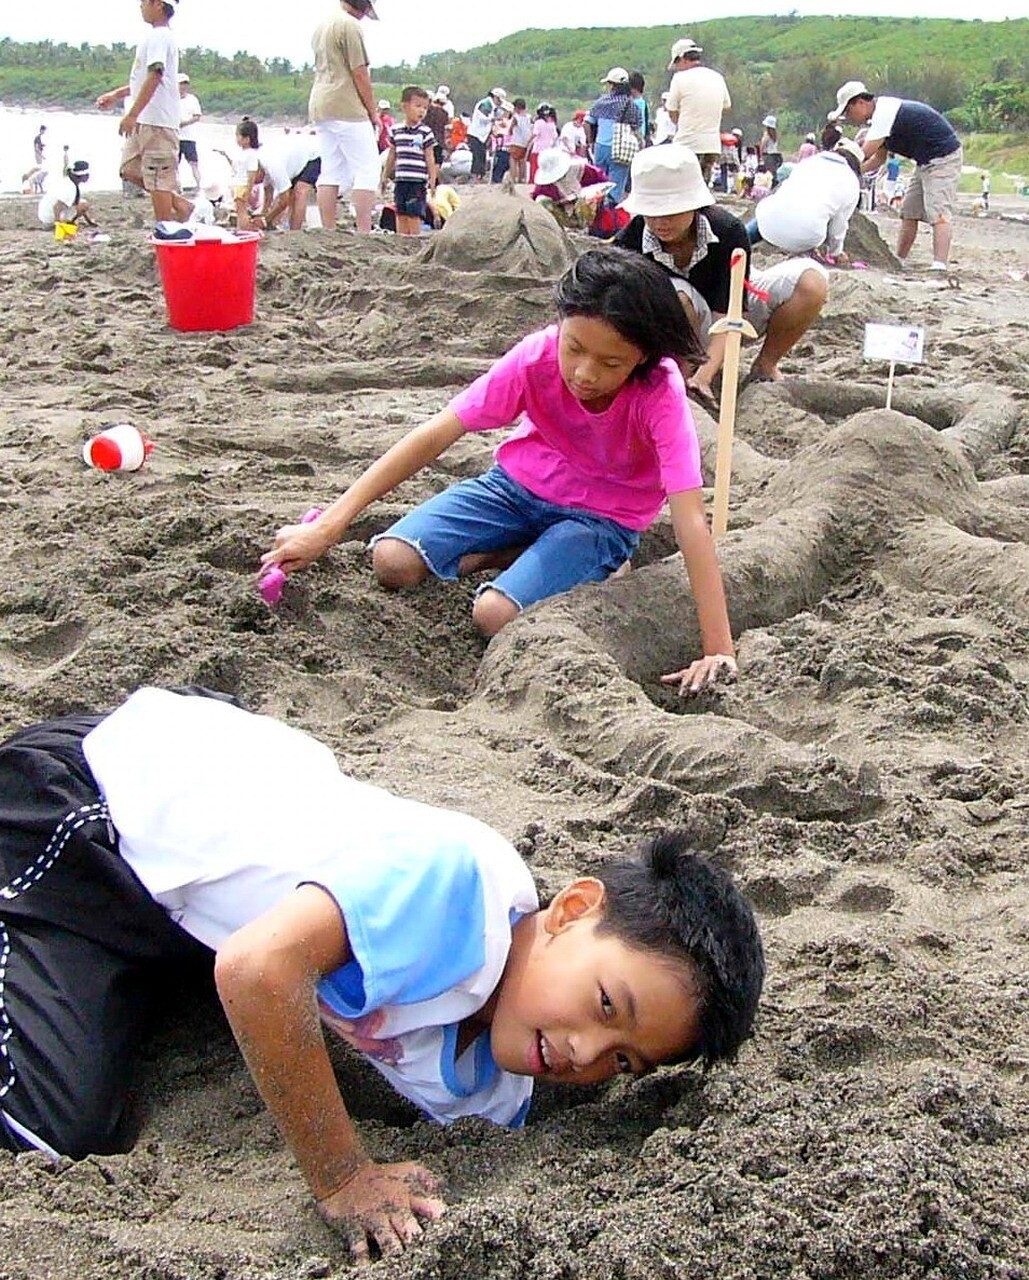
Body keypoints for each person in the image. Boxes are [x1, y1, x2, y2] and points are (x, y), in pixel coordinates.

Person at [0, 684, 764, 1259]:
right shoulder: (458, 887)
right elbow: (259, 971)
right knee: (46, 1128)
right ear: (570, 910)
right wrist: (342, 1176)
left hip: (189, 896)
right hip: (97, 806)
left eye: (622, 1061)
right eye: (605, 1005)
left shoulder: (495, 1082)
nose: (585, 1053)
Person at [263, 246, 738, 692]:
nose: (585, 373)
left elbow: (690, 517)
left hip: (600, 520)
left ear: (643, 358)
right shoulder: (535, 357)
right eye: (574, 348)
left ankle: (604, 562)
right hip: (514, 488)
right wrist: (328, 526)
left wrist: (718, 648)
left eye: (610, 362)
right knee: (392, 560)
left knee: (494, 614)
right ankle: (516, 551)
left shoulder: (659, 391)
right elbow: (436, 433)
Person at [615, 146, 829, 403]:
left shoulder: (728, 231)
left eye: (672, 211)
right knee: (674, 295)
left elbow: (729, 316)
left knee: (812, 281)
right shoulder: (629, 243)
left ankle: (764, 366)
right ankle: (679, 378)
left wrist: (704, 379)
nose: (662, 221)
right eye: (653, 212)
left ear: (694, 204)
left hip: (731, 315)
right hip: (671, 328)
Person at [827, 80, 963, 270]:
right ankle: (899, 260)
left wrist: (839, 164)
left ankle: (939, 264)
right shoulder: (879, 121)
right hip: (924, 161)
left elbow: (864, 153)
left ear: (860, 102)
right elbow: (877, 159)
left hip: (943, 157)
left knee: (939, 213)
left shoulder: (884, 111)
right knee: (909, 211)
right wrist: (854, 172)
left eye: (848, 112)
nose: (849, 117)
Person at [95, 0, 193, 224]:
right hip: (145, 119)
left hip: (157, 121)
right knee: (129, 168)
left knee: (159, 179)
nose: (140, 6)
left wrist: (132, 115)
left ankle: (166, 229)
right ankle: (180, 204)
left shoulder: (160, 36)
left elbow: (156, 76)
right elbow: (144, 80)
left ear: (158, 4)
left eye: (143, 2)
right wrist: (117, 95)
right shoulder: (155, 36)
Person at [308, 0, 381, 233]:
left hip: (320, 101)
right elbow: (359, 72)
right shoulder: (350, 26)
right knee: (368, 168)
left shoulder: (322, 24)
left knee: (331, 168)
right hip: (346, 103)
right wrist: (373, 112)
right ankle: (364, 230)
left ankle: (328, 228)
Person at [746, 139, 863, 265]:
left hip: (768, 222)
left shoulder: (809, 162)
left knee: (765, 217)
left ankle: (735, 239)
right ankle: (807, 253)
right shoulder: (851, 182)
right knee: (815, 222)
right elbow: (838, 227)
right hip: (804, 237)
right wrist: (836, 253)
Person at [665, 38, 731, 184]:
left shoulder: (679, 79)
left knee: (684, 188)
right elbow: (726, 106)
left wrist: (683, 122)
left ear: (681, 58)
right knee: (702, 188)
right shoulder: (717, 77)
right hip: (711, 144)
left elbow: (672, 111)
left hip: (687, 144)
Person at [383, 86, 438, 236]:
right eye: (418, 106)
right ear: (404, 107)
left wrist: (433, 179)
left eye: (425, 108)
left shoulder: (425, 132)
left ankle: (414, 239)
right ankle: (401, 241)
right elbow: (392, 155)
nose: (422, 111)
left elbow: (429, 157)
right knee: (400, 212)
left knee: (414, 213)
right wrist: (385, 176)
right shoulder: (396, 130)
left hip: (417, 180)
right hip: (401, 180)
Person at [586, 69, 643, 203]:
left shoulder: (601, 103)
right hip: (621, 149)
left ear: (612, 85)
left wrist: (591, 143)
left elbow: (587, 123)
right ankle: (611, 218)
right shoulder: (632, 105)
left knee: (598, 186)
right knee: (615, 189)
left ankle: (597, 217)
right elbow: (637, 127)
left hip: (600, 147)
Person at [531, 146, 617, 235]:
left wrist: (595, 195)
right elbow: (536, 198)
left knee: (584, 200)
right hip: (564, 215)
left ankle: (587, 230)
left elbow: (605, 183)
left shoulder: (582, 169)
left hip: (587, 213)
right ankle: (557, 230)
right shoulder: (545, 185)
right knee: (541, 201)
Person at [254, 131, 321, 230]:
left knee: (300, 192)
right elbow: (268, 196)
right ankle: (287, 225)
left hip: (313, 153)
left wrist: (266, 220)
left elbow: (283, 201)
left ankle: (295, 232)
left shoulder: (272, 166)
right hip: (295, 158)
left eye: (253, 179)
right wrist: (262, 215)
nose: (253, 183)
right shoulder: (259, 164)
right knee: (290, 194)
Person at [37, 159, 96, 229]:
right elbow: (56, 207)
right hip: (49, 218)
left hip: (45, 215)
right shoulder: (70, 188)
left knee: (81, 203)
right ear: (83, 176)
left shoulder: (69, 181)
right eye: (87, 175)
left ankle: (67, 221)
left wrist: (89, 222)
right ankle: (65, 222)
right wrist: (58, 224)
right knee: (84, 204)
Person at [468, 87, 505, 183]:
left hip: (482, 135)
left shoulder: (493, 106)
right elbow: (483, 117)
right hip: (476, 134)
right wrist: (493, 119)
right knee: (477, 156)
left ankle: (479, 176)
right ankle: (475, 177)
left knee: (482, 155)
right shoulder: (486, 104)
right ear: (495, 97)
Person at [176, 72, 202, 189]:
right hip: (174, 136)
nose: (183, 86)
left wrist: (184, 123)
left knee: (193, 163)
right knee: (174, 164)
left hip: (189, 137)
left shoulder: (192, 99)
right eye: (181, 83)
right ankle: (177, 186)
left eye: (185, 84)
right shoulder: (172, 99)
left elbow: (197, 116)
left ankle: (199, 185)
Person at [423, 92, 450, 169]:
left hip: (427, 139)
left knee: (427, 160)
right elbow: (445, 128)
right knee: (437, 161)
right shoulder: (445, 113)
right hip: (439, 140)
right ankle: (434, 179)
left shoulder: (426, 111)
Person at [758, 115, 783, 182]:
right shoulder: (775, 135)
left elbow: (762, 146)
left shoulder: (767, 135)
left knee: (767, 174)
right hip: (775, 156)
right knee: (773, 173)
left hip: (768, 156)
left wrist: (760, 157)